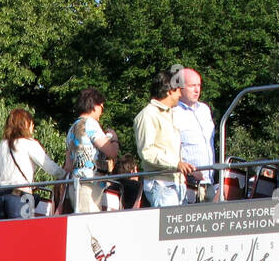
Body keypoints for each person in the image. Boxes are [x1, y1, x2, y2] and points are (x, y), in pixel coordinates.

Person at [134, 70, 193, 207]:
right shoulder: (147, 115)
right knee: (170, 228)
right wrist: (176, 164)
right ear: (169, 91)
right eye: (178, 90)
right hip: (161, 185)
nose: (180, 94)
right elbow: (147, 152)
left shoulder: (170, 114)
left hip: (176, 185)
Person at [0, 108, 62, 220]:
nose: (33, 128)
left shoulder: (3, 144)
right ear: (26, 124)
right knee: (22, 234)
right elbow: (48, 165)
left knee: (3, 235)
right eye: (32, 124)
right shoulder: (28, 143)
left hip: (1, 194)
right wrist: (65, 174)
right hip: (21, 195)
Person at [64, 88, 120, 213]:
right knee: (91, 227)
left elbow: (68, 166)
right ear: (94, 105)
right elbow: (111, 152)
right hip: (90, 184)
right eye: (101, 107)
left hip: (76, 185)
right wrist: (115, 139)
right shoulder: (90, 124)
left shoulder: (72, 128)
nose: (101, 112)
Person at [173, 67, 215, 202]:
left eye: (199, 85)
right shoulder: (173, 112)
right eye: (192, 86)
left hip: (208, 182)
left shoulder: (205, 110)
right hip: (187, 183)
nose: (197, 90)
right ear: (180, 88)